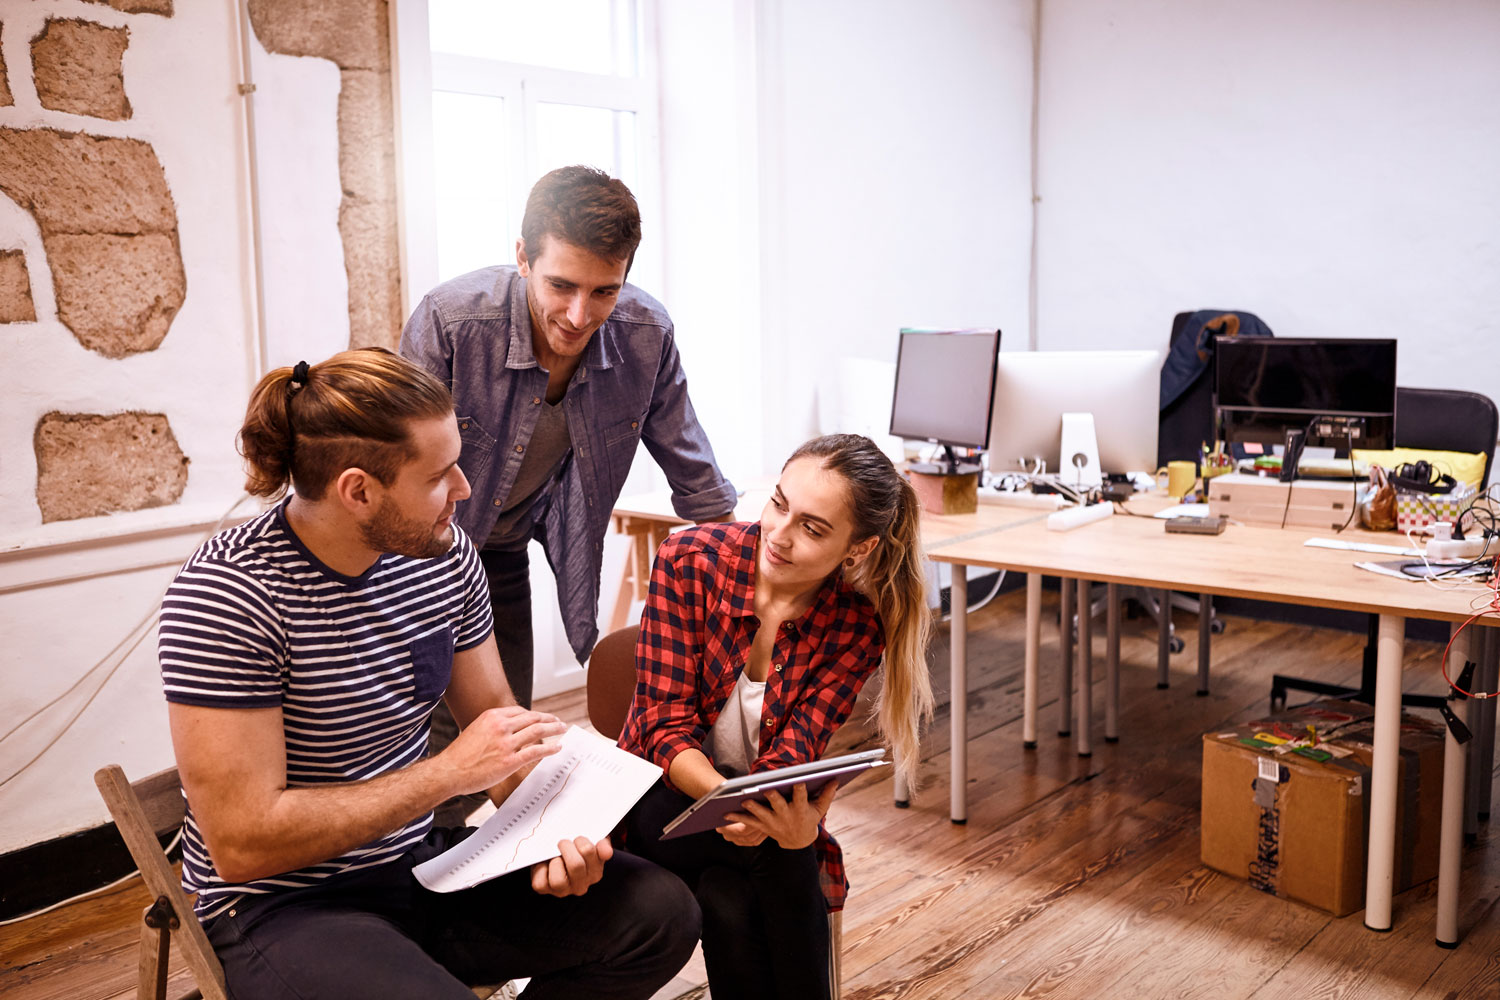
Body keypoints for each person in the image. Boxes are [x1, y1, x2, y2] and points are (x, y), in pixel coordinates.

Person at [158, 348, 699, 1000]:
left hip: (416, 865)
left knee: (660, 913)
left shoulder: (442, 557)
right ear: (358, 490)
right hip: (280, 905)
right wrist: (446, 774)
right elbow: (244, 844)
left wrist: (558, 837)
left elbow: (498, 726)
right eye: (439, 475)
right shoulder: (228, 595)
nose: (465, 489)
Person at [400, 164, 736, 713]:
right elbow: (394, 463)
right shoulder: (452, 321)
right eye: (561, 286)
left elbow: (693, 467)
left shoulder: (646, 334)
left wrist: (753, 577)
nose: (580, 316)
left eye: (605, 291)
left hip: (502, 557)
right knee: (425, 743)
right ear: (523, 258)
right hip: (416, 560)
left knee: (505, 737)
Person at [617, 433, 935, 1000]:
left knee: (728, 894)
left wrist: (785, 818)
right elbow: (660, 728)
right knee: (783, 852)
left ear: (857, 549)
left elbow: (794, 751)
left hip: (751, 817)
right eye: (779, 504)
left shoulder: (856, 627)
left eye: (813, 529)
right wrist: (742, 806)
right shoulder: (689, 561)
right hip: (655, 804)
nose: (780, 536)